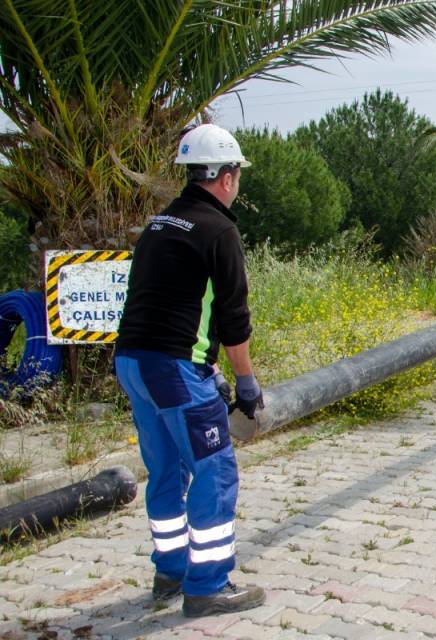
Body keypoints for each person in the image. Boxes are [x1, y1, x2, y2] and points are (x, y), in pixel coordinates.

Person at [114, 124, 264, 618]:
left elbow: (175, 305)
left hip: (134, 363)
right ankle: (208, 585)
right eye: (237, 172)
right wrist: (243, 381)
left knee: (166, 471)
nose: (237, 181)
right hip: (173, 370)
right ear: (224, 177)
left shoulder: (160, 223)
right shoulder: (219, 230)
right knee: (214, 471)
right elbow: (232, 319)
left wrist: (210, 370)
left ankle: (170, 573)